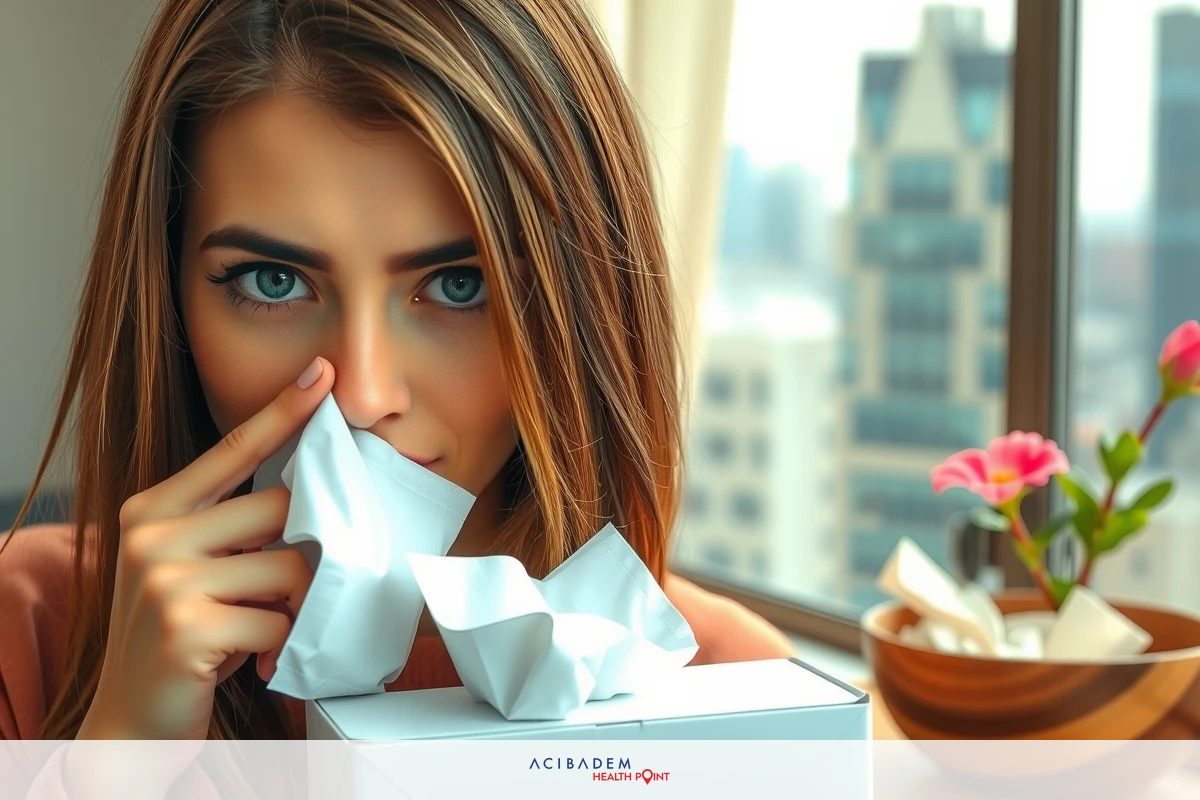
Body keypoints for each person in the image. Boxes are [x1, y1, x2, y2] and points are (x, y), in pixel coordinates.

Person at [0, 0, 795, 743]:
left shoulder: (735, 692)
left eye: (460, 285)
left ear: (581, 309)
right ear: (167, 299)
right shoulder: (28, 630)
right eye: (272, 281)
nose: (362, 397)